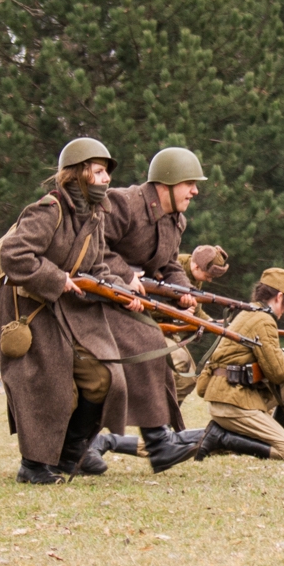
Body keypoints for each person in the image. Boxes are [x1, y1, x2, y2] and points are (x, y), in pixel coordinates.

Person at [0, 138, 138, 484]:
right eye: (99, 172)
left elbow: (97, 266)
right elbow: (14, 256)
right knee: (46, 386)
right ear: (80, 173)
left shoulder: (94, 216)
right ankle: (34, 465)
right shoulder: (48, 209)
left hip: (67, 310)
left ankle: (69, 456)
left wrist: (120, 291)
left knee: (105, 379)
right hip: (29, 306)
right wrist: (56, 279)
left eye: (106, 173)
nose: (106, 179)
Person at [79, 147, 207, 476]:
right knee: (146, 340)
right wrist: (125, 277)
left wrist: (184, 292)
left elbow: (166, 265)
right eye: (189, 183)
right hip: (92, 296)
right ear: (167, 183)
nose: (195, 190)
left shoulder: (176, 219)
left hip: (124, 298)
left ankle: (154, 439)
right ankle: (158, 441)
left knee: (151, 345)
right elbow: (93, 245)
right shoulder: (124, 204)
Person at [194, 268, 284, 462]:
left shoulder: (248, 313)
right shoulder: (263, 320)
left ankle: (277, 433)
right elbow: (278, 372)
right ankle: (220, 438)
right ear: (279, 296)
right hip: (232, 402)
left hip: (233, 396)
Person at [167, 244, 232, 403]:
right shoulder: (171, 268)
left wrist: (212, 322)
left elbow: (196, 312)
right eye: (208, 275)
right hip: (150, 326)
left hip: (168, 330)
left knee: (188, 380)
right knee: (180, 365)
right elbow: (150, 303)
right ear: (196, 266)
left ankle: (165, 422)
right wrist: (178, 312)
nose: (209, 280)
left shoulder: (195, 274)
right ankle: (156, 422)